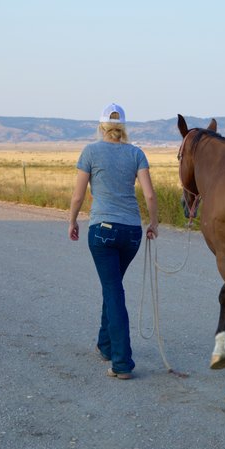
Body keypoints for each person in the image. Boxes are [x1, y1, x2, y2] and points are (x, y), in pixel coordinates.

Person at [68, 103, 158, 380]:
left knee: (113, 290)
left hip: (103, 230)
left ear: (101, 126)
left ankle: (121, 362)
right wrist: (153, 223)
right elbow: (150, 196)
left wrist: (72, 221)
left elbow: (78, 196)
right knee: (113, 286)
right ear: (123, 128)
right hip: (131, 232)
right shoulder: (136, 153)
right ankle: (105, 344)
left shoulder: (91, 151)